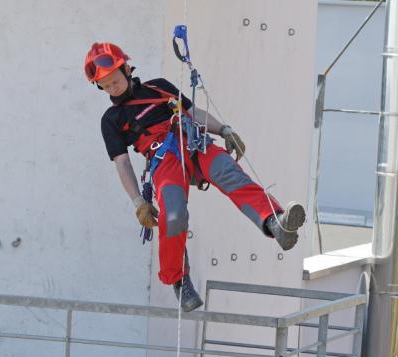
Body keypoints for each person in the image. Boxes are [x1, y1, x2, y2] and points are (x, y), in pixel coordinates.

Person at [85, 42, 306, 311]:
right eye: (105, 86)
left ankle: (275, 222)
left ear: (127, 69)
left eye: (114, 81)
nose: (112, 89)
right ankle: (179, 280)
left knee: (228, 172)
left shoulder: (159, 87)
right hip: (164, 159)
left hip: (192, 141)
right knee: (173, 215)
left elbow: (193, 113)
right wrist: (137, 203)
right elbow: (122, 163)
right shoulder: (111, 119)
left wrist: (223, 130)